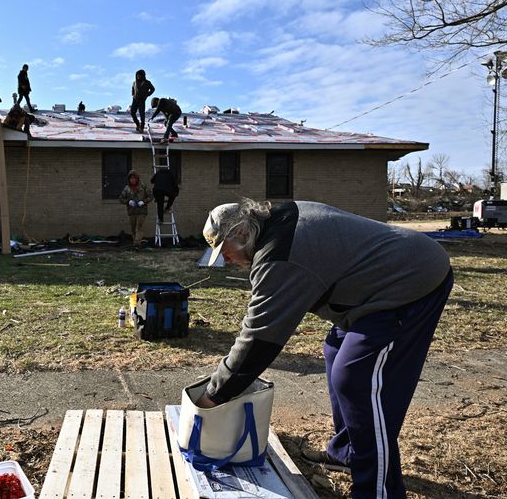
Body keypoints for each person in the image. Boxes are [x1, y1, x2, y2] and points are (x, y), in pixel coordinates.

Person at [198, 199, 453, 499]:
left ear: (242, 232)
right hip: (369, 286)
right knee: (336, 351)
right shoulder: (277, 218)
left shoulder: (280, 255)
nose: (226, 260)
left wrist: (214, 395)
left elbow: (259, 338)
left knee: (356, 377)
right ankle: (348, 453)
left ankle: (378, 491)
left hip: (410, 280)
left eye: (225, 251)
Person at [118, 170, 153, 248]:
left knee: (139, 227)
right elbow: (121, 199)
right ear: (129, 179)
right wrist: (128, 202)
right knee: (133, 229)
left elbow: (150, 196)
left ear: (137, 179)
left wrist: (144, 202)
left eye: (134, 178)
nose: (133, 180)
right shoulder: (127, 188)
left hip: (142, 211)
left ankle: (137, 243)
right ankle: (136, 245)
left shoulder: (143, 186)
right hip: (132, 211)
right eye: (131, 178)